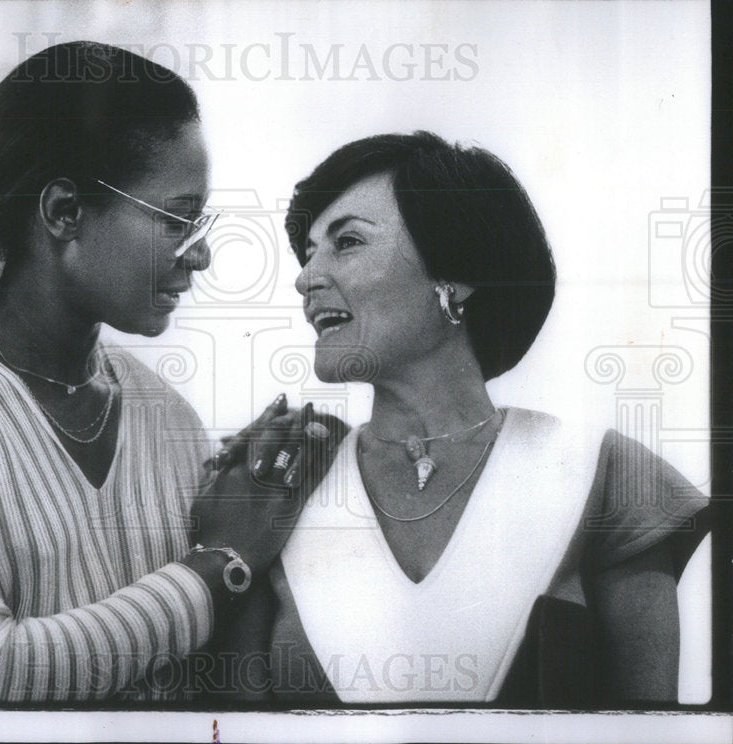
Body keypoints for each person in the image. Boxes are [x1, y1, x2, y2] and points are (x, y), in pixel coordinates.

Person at [0, 42, 343, 703]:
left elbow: (207, 688)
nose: (204, 255)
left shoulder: (170, 417)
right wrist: (219, 565)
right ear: (64, 212)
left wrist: (261, 503)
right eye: (178, 220)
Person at [219, 132, 710, 707]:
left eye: (346, 242)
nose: (306, 277)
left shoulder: (608, 475)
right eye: (308, 252)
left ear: (454, 274)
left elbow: (653, 730)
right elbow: (235, 725)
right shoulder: (282, 478)